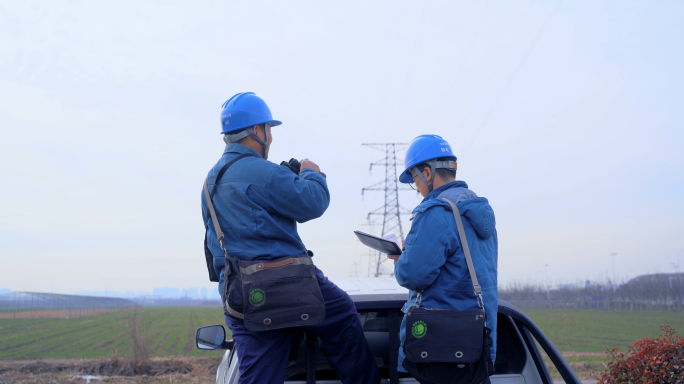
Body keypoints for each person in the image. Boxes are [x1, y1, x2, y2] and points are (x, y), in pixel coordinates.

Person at [201, 92, 380, 384]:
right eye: (269, 130)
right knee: (343, 314)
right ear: (258, 131)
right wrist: (312, 174)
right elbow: (313, 202)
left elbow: (216, 243)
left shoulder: (210, 181)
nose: (270, 137)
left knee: (260, 374)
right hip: (288, 287)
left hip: (239, 295)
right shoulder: (265, 173)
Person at [387, 134, 498, 384]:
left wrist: (400, 258)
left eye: (414, 179)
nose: (416, 187)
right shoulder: (478, 211)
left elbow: (412, 274)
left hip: (440, 347)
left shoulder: (436, 213)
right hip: (476, 343)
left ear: (427, 173)